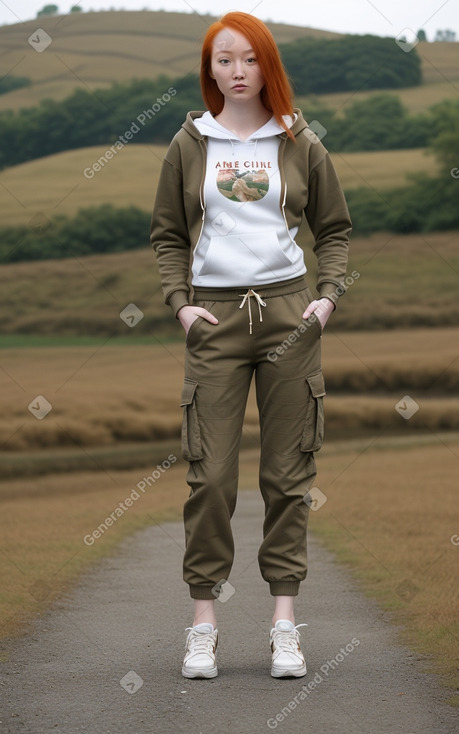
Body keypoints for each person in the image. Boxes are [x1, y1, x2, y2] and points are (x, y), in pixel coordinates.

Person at [150, 11, 351, 679]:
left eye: (249, 60)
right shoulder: (190, 143)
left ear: (268, 66)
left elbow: (334, 227)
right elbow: (168, 235)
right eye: (223, 60)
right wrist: (180, 307)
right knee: (208, 475)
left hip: (292, 316)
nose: (237, 72)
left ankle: (283, 626)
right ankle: (202, 624)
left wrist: (325, 298)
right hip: (213, 321)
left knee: (287, 478)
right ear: (208, 70)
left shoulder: (298, 139)